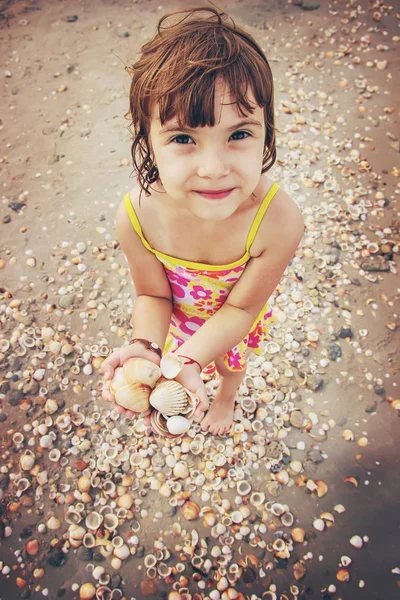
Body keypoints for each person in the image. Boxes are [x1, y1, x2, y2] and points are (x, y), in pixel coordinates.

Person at [100, 6, 304, 435]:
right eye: (183, 138)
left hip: (239, 317)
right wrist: (148, 347)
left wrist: (188, 360)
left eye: (239, 134)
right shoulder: (137, 214)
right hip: (179, 317)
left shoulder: (278, 221)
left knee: (230, 365)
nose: (213, 168)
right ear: (147, 140)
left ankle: (227, 398)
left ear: (267, 130)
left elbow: (243, 306)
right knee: (188, 352)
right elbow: (153, 296)